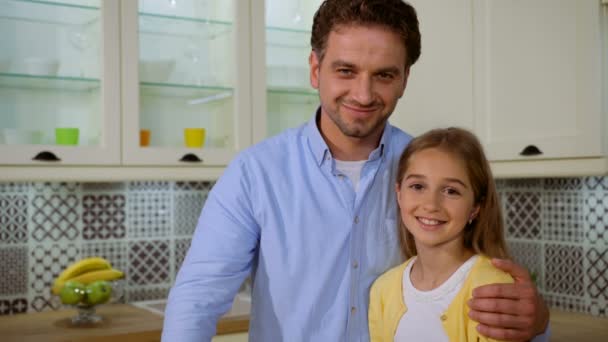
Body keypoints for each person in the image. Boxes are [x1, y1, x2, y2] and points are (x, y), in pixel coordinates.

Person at [162, 1, 549, 341]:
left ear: (404, 80)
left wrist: (535, 320)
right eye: (346, 71)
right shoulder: (255, 173)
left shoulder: (431, 173)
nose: (363, 95)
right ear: (315, 70)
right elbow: (198, 296)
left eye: (384, 75)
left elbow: (484, 287)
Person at [369, 127, 514, 341]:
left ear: (475, 207)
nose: (430, 205)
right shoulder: (383, 290)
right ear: (399, 194)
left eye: (451, 191)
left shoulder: (492, 288)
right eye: (418, 186)